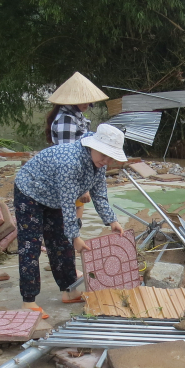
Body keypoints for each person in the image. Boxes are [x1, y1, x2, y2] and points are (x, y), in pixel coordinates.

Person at [13, 123, 127, 318]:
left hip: (52, 195)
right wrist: (76, 237)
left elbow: (99, 194)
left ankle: (69, 290)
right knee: (30, 245)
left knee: (60, 243)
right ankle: (28, 301)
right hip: (30, 191)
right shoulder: (70, 162)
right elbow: (68, 204)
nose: (106, 160)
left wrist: (111, 221)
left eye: (110, 157)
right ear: (94, 146)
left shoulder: (98, 163)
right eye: (103, 155)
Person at [44, 72, 109, 222]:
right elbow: (66, 157)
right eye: (82, 100)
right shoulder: (65, 121)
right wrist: (83, 188)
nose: (86, 104)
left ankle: (72, 242)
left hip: (77, 175)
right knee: (67, 216)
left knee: (76, 214)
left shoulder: (77, 117)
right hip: (66, 176)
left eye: (88, 100)